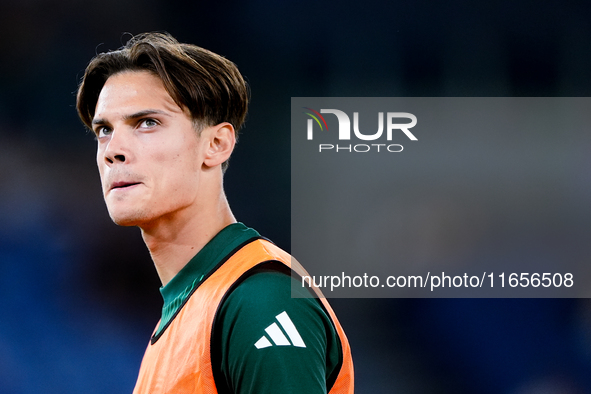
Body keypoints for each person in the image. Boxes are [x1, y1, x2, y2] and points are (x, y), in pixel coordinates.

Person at [75, 32, 354, 394]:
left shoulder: (259, 300)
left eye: (147, 122)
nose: (113, 149)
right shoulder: (188, 308)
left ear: (216, 144)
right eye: (104, 130)